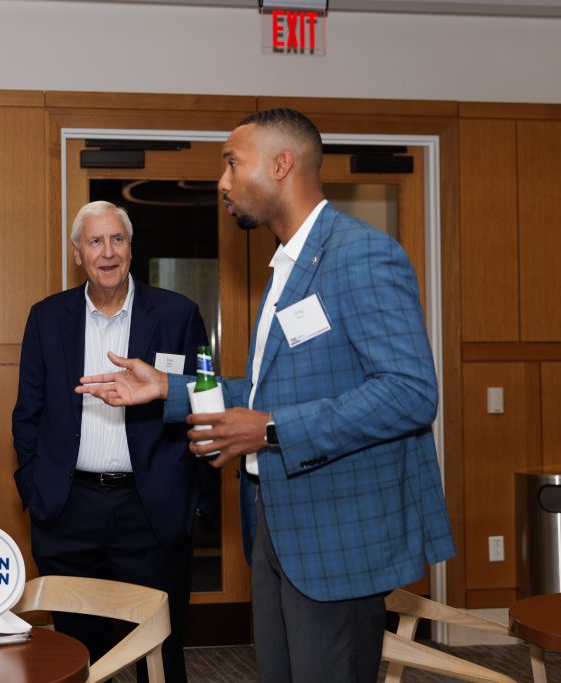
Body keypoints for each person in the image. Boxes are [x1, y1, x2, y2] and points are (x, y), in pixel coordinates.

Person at [77, 109, 455, 682]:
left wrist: (273, 429)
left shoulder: (360, 255)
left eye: (232, 163)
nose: (222, 182)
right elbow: (259, 392)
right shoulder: (284, 268)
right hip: (274, 529)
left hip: (337, 539)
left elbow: (409, 393)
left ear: (283, 164)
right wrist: (165, 389)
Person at [12, 200, 211, 683]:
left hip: (151, 513)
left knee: (157, 650)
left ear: (131, 249)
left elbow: (206, 407)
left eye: (117, 239)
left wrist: (192, 502)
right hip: (68, 512)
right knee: (77, 654)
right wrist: (36, 493)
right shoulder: (46, 318)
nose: (107, 252)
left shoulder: (178, 315)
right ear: (77, 252)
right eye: (95, 241)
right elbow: (28, 416)